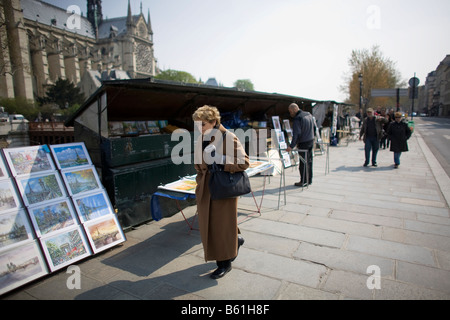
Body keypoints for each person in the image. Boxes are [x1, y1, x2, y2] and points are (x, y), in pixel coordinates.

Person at [192, 105, 249, 279]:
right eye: (196, 125)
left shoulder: (228, 137)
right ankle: (235, 241)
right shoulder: (200, 138)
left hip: (223, 188)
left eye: (202, 124)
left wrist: (221, 160)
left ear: (214, 122)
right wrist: (199, 179)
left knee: (221, 227)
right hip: (205, 188)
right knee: (211, 226)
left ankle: (225, 263)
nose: (199, 129)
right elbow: (198, 164)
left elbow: (244, 162)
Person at [286, 103, 316, 187]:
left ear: (295, 109)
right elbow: (314, 127)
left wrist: (291, 146)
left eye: (291, 111)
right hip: (310, 140)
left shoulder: (298, 118)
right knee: (309, 161)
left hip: (303, 143)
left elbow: (297, 134)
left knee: (303, 163)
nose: (290, 113)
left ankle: (303, 181)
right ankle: (309, 180)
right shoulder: (309, 115)